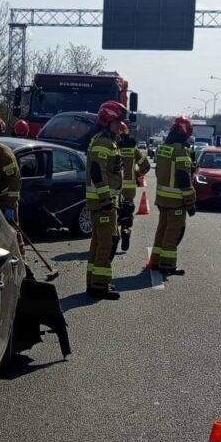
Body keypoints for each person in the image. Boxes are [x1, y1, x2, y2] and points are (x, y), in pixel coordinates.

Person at [85, 100, 126, 299]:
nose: (120, 125)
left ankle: (93, 282)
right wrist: (106, 199)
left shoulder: (108, 141)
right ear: (107, 120)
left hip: (104, 202)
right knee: (107, 243)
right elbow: (97, 171)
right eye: (117, 121)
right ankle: (100, 285)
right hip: (103, 204)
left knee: (98, 242)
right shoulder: (103, 142)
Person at [148, 116, 197, 277]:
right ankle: (168, 265)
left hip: (162, 198)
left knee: (162, 230)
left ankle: (155, 260)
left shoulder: (163, 147)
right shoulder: (180, 151)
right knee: (172, 232)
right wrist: (190, 201)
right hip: (176, 200)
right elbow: (183, 178)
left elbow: (158, 171)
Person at [117, 122, 150, 253]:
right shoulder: (133, 150)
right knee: (127, 211)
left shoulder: (111, 146)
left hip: (113, 186)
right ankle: (126, 229)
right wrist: (137, 174)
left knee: (113, 212)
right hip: (129, 187)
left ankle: (113, 235)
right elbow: (146, 166)